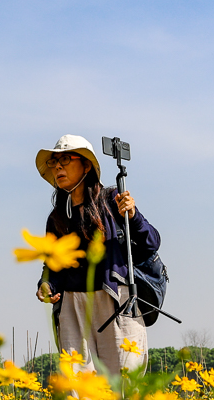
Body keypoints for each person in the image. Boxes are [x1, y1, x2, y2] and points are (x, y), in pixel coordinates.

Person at [34, 134, 160, 375]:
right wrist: (46, 284)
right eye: (54, 162)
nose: (58, 166)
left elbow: (151, 243)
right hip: (72, 305)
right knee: (77, 389)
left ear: (86, 165)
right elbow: (54, 265)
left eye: (66, 159)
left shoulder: (112, 200)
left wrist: (133, 216)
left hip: (114, 298)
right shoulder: (57, 217)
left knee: (125, 383)